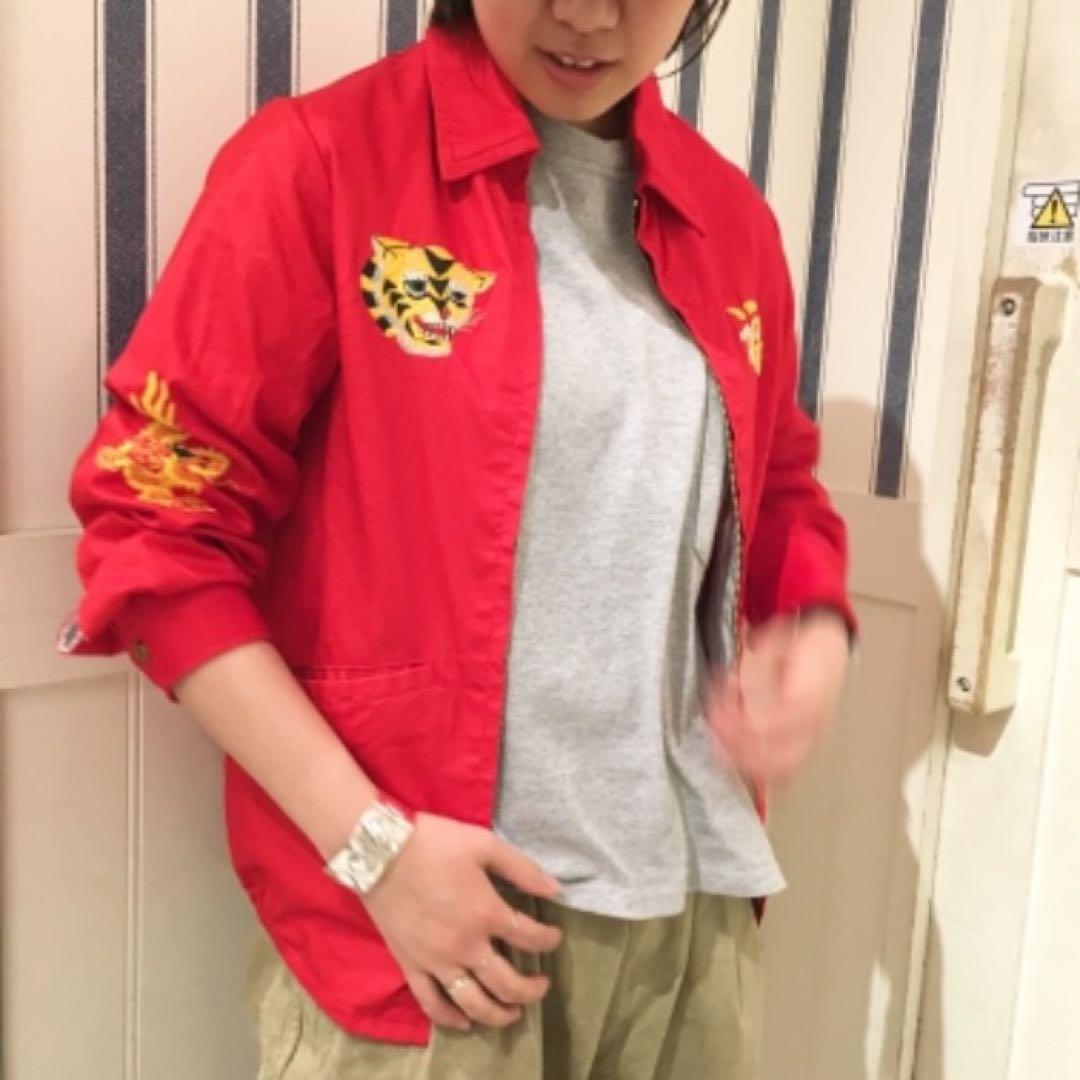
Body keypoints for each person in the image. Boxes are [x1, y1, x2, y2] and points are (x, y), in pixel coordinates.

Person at [58, 1, 857, 1076]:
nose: (587, 14)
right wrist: (373, 849)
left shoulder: (729, 218)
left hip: (691, 920)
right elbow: (156, 526)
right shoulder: (323, 165)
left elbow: (780, 480)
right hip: (427, 934)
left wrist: (814, 624)